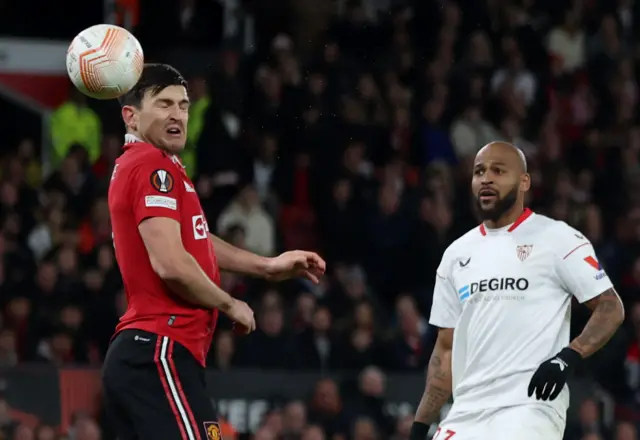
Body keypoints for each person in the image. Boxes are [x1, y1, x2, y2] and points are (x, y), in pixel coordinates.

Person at [103, 64, 326, 440]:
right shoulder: (151, 166)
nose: (177, 114)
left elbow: (197, 240)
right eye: (164, 104)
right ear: (131, 116)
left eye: (184, 105)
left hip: (151, 354)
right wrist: (228, 303)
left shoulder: (157, 165)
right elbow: (171, 264)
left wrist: (268, 266)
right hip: (159, 348)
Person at [409, 141, 625, 440]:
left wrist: (568, 356)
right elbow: (445, 350)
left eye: (498, 171)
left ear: (524, 181)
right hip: (466, 412)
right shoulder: (456, 255)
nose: (486, 178)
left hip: (529, 408)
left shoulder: (557, 238)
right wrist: (420, 426)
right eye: (479, 172)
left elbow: (611, 306)